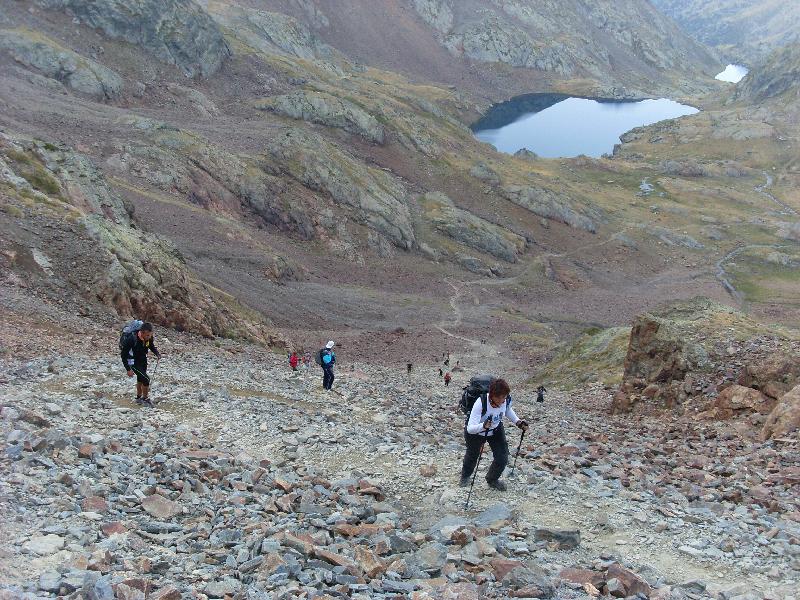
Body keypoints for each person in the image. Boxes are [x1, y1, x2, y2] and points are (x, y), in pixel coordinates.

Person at [459, 378, 528, 491]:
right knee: (472, 455)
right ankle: (465, 476)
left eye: (504, 396)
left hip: (495, 429)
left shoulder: (506, 400)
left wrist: (518, 422)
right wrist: (483, 426)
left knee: (502, 457)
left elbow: (507, 410)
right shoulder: (481, 403)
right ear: (491, 395)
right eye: (499, 397)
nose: (502, 400)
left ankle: (492, 479)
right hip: (476, 432)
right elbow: (470, 428)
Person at [120, 322, 161, 407]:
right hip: (133, 361)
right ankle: (145, 399)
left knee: (140, 378)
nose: (149, 337)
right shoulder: (131, 339)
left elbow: (151, 346)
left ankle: (138, 398)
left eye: (150, 335)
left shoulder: (149, 337)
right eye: (147, 335)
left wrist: (157, 353)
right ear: (141, 332)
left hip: (143, 360)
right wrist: (128, 369)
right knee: (146, 379)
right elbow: (123, 354)